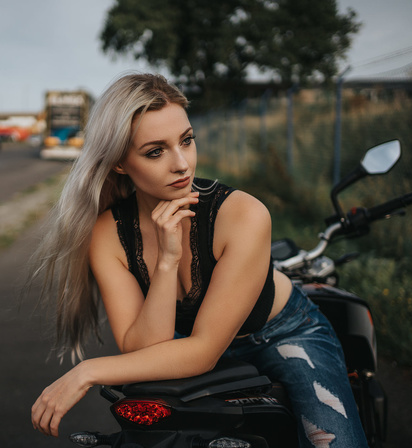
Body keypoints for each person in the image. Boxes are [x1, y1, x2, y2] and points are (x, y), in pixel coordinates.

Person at [29, 73, 368, 447]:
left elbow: (205, 351)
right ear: (120, 164)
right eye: (155, 151)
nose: (181, 164)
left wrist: (87, 372)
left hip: (283, 333)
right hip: (184, 342)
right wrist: (166, 262)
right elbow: (142, 348)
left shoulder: (242, 215)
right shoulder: (107, 234)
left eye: (186, 141)